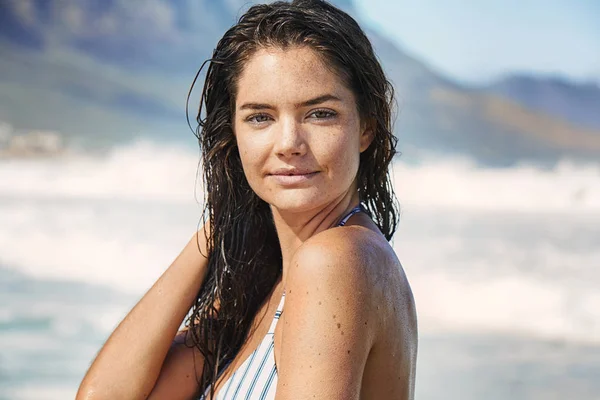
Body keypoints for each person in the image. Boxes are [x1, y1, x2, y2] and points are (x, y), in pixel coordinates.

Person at [77, 0, 417, 399]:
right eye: (260, 117)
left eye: (320, 114)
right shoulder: (265, 279)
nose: (288, 144)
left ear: (365, 129)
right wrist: (222, 222)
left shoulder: (335, 260)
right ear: (232, 137)